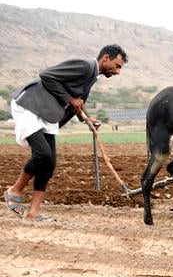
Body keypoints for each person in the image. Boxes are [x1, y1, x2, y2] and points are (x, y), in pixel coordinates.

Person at [5, 44, 128, 221]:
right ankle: (14, 191)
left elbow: (77, 104)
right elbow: (47, 76)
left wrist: (87, 119)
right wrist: (69, 99)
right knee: (43, 155)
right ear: (106, 58)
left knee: (50, 162)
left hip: (48, 113)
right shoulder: (85, 66)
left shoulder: (92, 77)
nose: (118, 72)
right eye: (117, 66)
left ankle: (33, 214)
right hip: (31, 105)